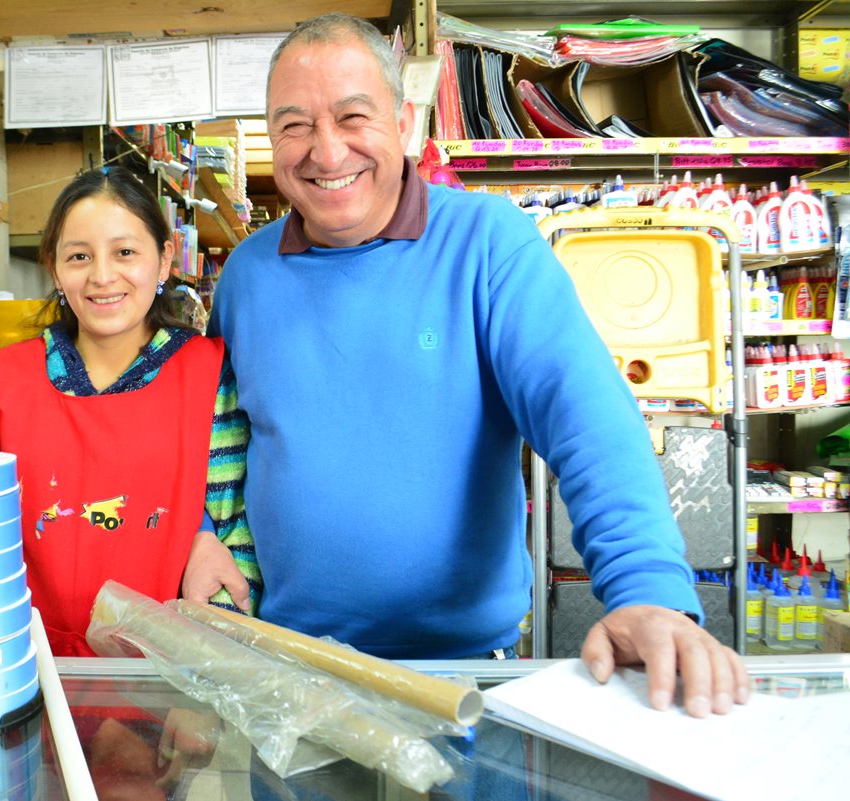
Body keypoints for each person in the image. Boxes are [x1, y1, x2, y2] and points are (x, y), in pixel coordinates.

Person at [209, 13, 749, 718]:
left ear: (404, 122)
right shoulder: (247, 274)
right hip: (288, 671)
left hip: (464, 680)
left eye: (352, 116)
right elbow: (213, 433)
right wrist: (195, 530)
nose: (326, 149)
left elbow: (585, 416)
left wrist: (647, 589)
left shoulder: (489, 244)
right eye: (294, 126)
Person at [0, 165, 260, 656]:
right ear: (55, 268)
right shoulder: (5, 381)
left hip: (167, 681)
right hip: (31, 669)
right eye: (79, 256)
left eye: (125, 252)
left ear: (165, 258)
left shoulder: (208, 376)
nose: (102, 276)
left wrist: (207, 683)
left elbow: (235, 539)